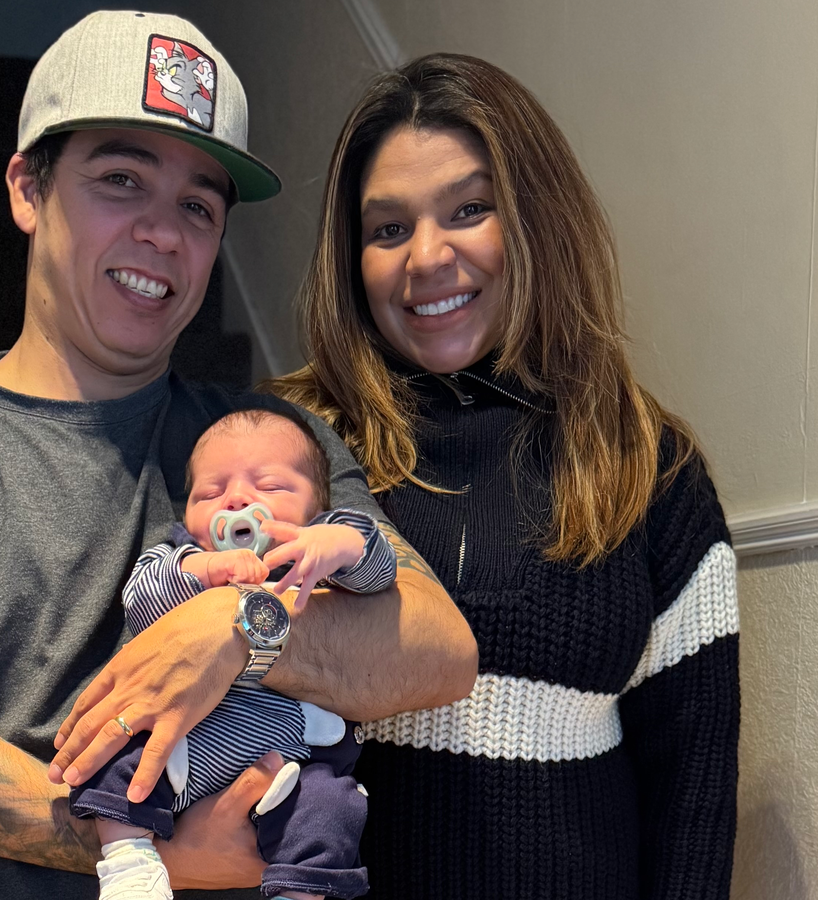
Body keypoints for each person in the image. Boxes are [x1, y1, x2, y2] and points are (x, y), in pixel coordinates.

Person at [0, 12, 477, 900]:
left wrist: (237, 631)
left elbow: (438, 651)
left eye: (198, 207)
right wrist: (145, 853)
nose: (164, 234)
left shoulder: (270, 441)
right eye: (121, 180)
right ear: (27, 189)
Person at [269, 53, 740, 899]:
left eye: (469, 209)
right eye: (387, 230)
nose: (425, 257)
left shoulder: (646, 466)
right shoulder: (291, 450)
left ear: (537, 219)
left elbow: (692, 801)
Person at [74, 408, 395, 900]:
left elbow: (380, 574)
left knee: (333, 806)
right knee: (116, 756)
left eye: (269, 486)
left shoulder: (325, 558)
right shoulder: (178, 556)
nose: (237, 499)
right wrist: (205, 571)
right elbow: (141, 601)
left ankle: (300, 893)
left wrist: (345, 544)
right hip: (184, 745)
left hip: (293, 759)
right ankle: (130, 865)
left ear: (317, 507)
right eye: (210, 493)